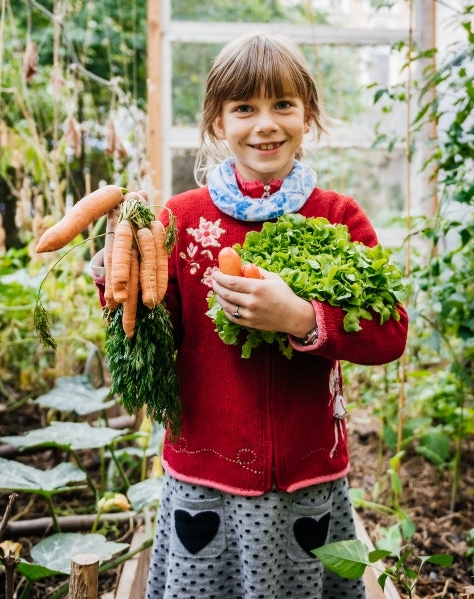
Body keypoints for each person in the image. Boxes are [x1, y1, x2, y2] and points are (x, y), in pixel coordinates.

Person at [118, 32, 408, 598]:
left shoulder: (338, 218)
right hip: (209, 471)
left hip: (306, 472)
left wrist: (304, 317)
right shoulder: (180, 218)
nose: (265, 124)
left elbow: (390, 334)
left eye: (283, 105)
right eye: (244, 108)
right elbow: (156, 331)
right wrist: (122, 283)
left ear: (308, 116)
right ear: (217, 123)